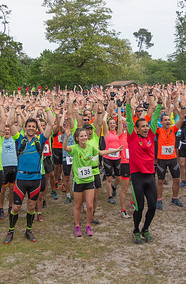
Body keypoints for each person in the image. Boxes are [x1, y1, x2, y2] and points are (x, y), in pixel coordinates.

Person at [4, 101, 54, 244]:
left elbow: (50, 124)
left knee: (31, 206)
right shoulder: (19, 138)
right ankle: (10, 230)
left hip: (35, 179)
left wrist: (47, 108)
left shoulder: (40, 139)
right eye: (29, 126)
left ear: (35, 128)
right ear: (25, 128)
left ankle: (28, 230)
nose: (31, 128)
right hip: (21, 178)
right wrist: (13, 108)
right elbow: (9, 123)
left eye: (33, 126)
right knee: (16, 207)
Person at [63, 127, 121, 237]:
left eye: (85, 135)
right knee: (78, 205)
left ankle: (88, 226)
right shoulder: (75, 148)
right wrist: (66, 137)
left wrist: (115, 150)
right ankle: (77, 226)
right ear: (77, 138)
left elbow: (101, 152)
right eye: (81, 136)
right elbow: (65, 147)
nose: (84, 137)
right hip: (78, 181)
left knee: (89, 206)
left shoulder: (90, 147)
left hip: (89, 180)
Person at [125, 89, 161, 244]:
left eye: (147, 126)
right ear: (137, 129)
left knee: (152, 206)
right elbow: (128, 120)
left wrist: (158, 103)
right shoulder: (132, 137)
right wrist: (127, 104)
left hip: (150, 176)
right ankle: (135, 230)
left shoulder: (151, 135)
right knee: (139, 207)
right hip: (137, 176)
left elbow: (155, 118)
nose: (146, 128)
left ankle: (145, 228)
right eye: (143, 126)